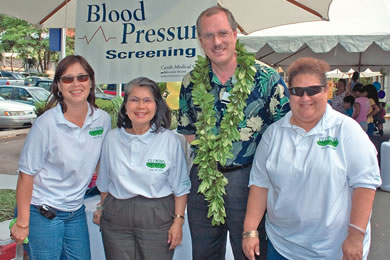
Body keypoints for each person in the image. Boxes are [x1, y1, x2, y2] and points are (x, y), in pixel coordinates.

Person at [177, 6, 290, 260]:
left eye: (222, 33)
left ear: (235, 34)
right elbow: (188, 130)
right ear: (200, 40)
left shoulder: (266, 77)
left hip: (250, 180)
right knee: (204, 254)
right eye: (208, 36)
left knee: (251, 254)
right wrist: (210, 160)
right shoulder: (190, 81)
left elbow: (287, 132)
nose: (217, 42)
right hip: (204, 178)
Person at [242, 57, 381, 260]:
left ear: (326, 91)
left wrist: (355, 236)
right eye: (297, 91)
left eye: (313, 90)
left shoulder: (346, 130)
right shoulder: (273, 134)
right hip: (281, 247)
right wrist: (250, 231)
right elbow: (260, 185)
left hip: (333, 250)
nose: (305, 98)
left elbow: (365, 184)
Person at [10, 55, 112, 259]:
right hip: (43, 211)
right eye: (67, 79)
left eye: (82, 77)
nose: (76, 83)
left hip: (75, 211)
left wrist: (103, 204)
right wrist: (22, 222)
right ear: (58, 85)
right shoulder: (46, 124)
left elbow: (102, 166)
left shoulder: (102, 120)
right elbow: (26, 175)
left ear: (91, 82)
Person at [94, 77, 191, 260]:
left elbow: (180, 187)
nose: (140, 106)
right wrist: (101, 207)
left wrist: (178, 220)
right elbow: (105, 182)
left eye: (147, 100)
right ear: (125, 105)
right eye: (134, 100)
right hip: (116, 218)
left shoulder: (169, 140)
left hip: (157, 216)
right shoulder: (112, 139)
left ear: (156, 105)